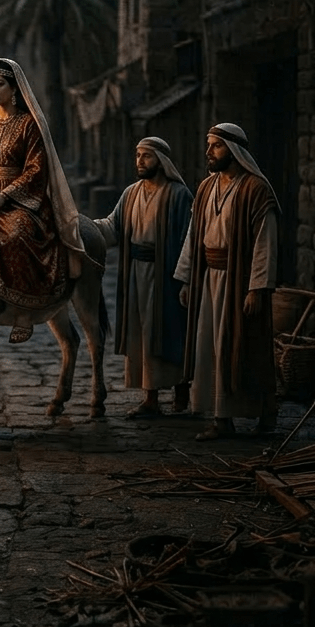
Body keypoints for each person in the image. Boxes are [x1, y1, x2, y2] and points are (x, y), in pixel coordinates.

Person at [0, 57, 85, 342]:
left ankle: (23, 312)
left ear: (14, 89)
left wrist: (4, 197)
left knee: (16, 232)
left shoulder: (28, 125)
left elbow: (37, 170)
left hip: (22, 201)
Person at [173, 123, 280, 441]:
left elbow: (266, 242)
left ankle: (265, 412)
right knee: (211, 346)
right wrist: (187, 279)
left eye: (215, 146)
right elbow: (194, 237)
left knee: (246, 347)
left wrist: (257, 287)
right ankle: (221, 419)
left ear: (234, 151)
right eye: (208, 145)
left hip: (239, 282)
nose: (209, 152)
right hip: (209, 280)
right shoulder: (206, 188)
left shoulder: (256, 190)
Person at [95, 137, 192, 418]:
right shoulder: (131, 194)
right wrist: (82, 227)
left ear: (161, 161)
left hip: (167, 275)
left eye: (146, 156)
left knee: (170, 331)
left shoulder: (179, 195)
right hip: (136, 273)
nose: (140, 161)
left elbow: (189, 240)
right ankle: (150, 398)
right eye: (137, 155)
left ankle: (181, 387)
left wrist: (185, 279)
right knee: (143, 333)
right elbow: (112, 228)